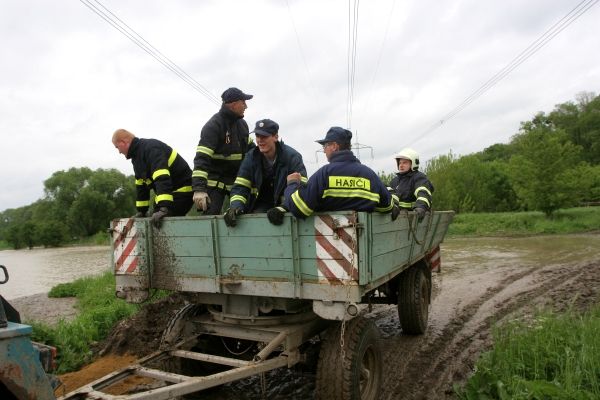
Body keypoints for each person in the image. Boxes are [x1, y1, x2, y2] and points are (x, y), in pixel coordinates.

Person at [283, 127, 399, 220]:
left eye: (325, 145)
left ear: (334, 146)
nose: (324, 150)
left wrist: (292, 184)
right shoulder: (369, 174)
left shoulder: (324, 174)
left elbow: (299, 208)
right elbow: (387, 207)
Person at [224, 119, 307, 227]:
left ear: (275, 137)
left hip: (286, 204)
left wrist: (284, 207)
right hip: (262, 204)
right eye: (258, 136)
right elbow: (240, 186)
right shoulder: (251, 157)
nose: (260, 140)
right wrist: (235, 206)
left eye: (264, 137)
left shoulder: (292, 157)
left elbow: (302, 187)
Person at [112, 129, 193, 227]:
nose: (119, 152)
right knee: (154, 220)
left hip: (183, 192)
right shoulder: (136, 158)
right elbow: (141, 186)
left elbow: (161, 177)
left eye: (117, 147)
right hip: (169, 196)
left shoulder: (151, 148)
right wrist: (142, 212)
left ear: (123, 142)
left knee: (161, 222)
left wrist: (164, 208)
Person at [192, 87, 254, 215]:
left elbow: (251, 150)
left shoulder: (242, 125)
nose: (246, 106)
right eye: (243, 102)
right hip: (215, 183)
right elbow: (201, 159)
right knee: (210, 217)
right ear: (233, 104)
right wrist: (199, 189)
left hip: (237, 181)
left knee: (245, 215)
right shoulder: (213, 126)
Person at [390, 147, 434, 221]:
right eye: (400, 163)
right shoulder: (394, 181)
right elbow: (390, 197)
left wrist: (421, 207)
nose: (401, 165)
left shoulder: (419, 177)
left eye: (405, 163)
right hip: (397, 218)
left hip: (412, 217)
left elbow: (423, 193)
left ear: (413, 163)